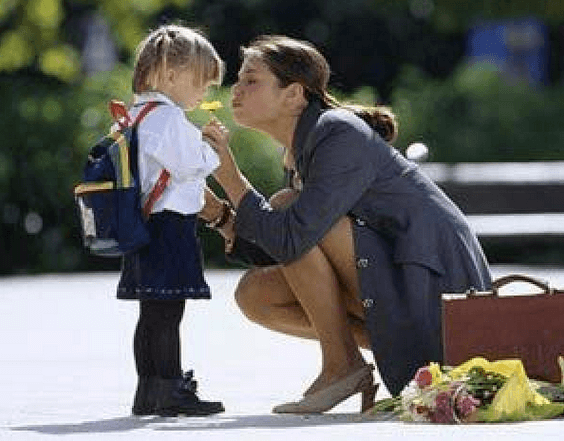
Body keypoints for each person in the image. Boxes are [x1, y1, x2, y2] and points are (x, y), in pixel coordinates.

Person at [202, 35, 492, 414]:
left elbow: (292, 238)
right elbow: (279, 249)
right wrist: (218, 215)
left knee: (287, 206)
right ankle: (355, 360)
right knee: (256, 295)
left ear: (294, 95)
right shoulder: (303, 149)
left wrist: (233, 178)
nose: (236, 89)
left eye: (251, 80)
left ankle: (342, 364)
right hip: (401, 284)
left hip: (440, 295)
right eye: (239, 79)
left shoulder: (336, 132)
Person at [116, 24, 228, 417]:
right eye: (200, 83)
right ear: (169, 75)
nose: (204, 93)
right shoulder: (169, 119)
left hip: (142, 224)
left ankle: (149, 387)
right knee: (169, 312)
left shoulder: (135, 115)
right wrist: (214, 147)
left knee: (151, 313)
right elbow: (190, 165)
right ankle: (170, 389)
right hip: (169, 226)